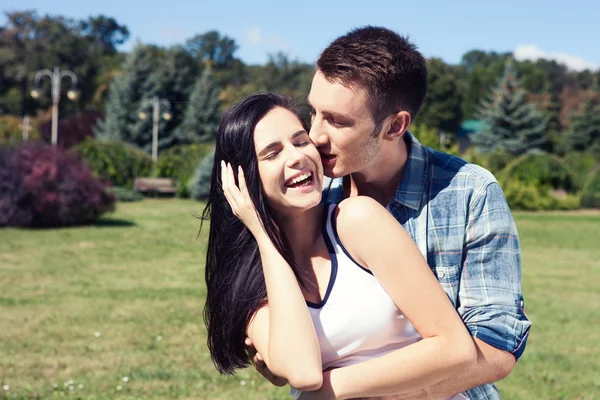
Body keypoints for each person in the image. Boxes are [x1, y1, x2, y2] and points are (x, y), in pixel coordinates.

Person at [245, 26, 532, 399]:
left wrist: (335, 391)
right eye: (313, 112)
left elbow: (496, 348)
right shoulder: (310, 195)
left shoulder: (469, 193)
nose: (314, 136)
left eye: (336, 120)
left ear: (395, 126)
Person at [202, 91, 477, 399]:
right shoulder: (249, 283)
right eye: (272, 153)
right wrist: (264, 238)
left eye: (300, 141)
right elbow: (303, 372)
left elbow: (455, 348)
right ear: (242, 180)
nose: (296, 157)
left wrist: (326, 392)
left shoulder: (358, 220)